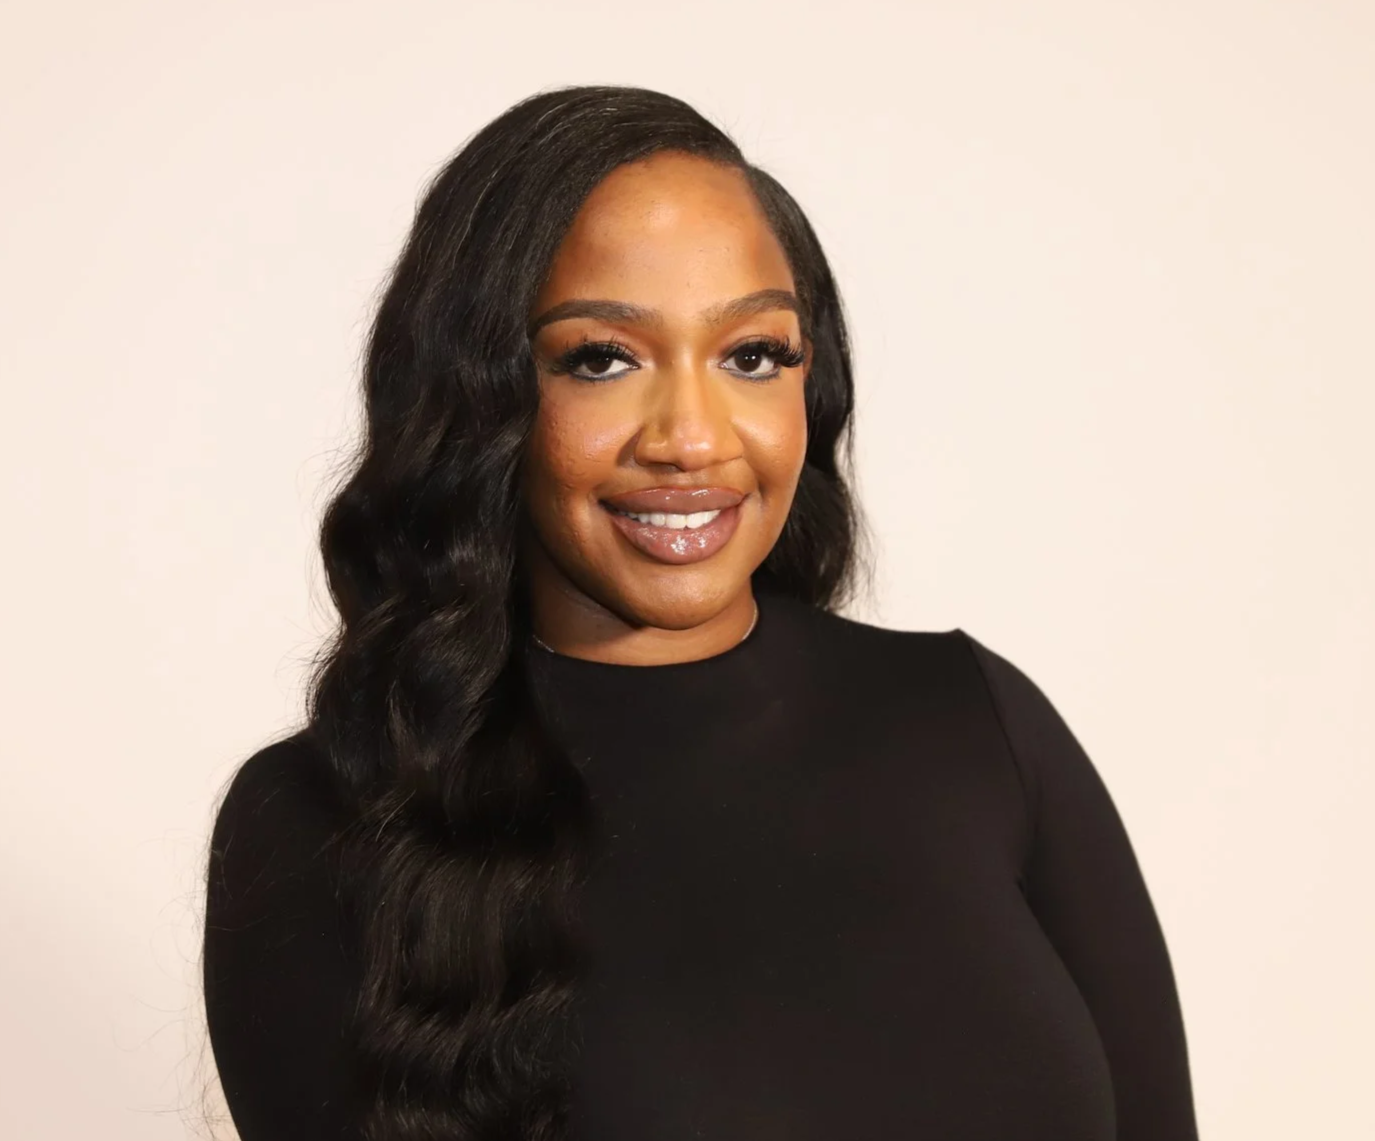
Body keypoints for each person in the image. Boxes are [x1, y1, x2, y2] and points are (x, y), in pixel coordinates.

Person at [202, 85, 1199, 1141]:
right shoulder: (322, 821)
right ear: (477, 396)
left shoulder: (975, 724)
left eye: (751, 355)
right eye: (601, 358)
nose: (690, 436)